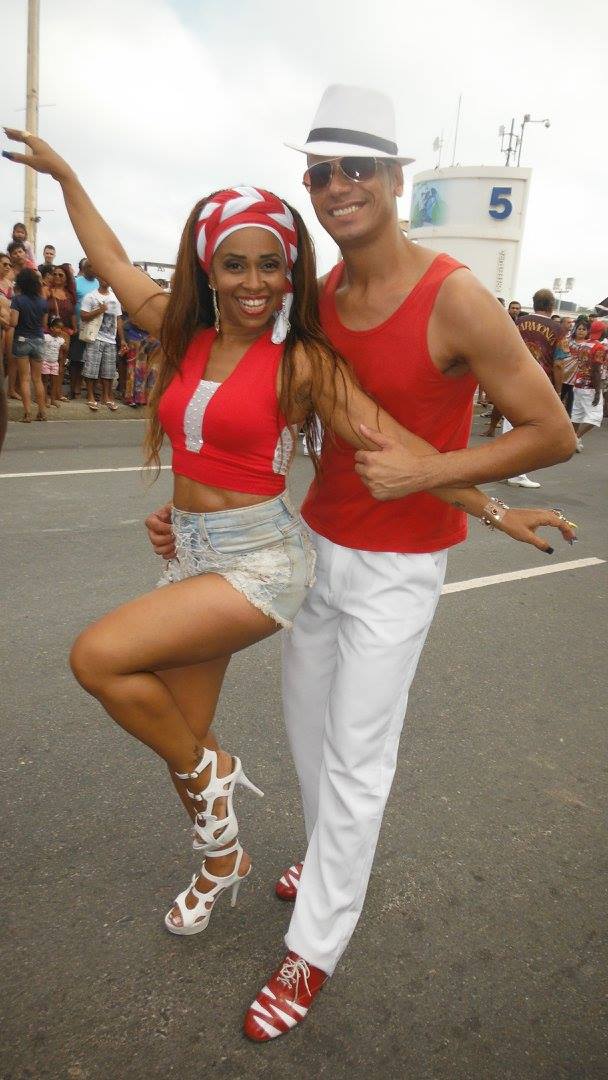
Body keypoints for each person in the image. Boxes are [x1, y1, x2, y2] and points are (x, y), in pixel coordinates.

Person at [3, 127, 576, 974]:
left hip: (264, 559)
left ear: (291, 271)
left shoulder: (303, 359)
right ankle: (222, 858)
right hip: (194, 551)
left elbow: (392, 445)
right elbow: (116, 261)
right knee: (180, 736)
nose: (254, 283)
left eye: (272, 265)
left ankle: (232, 791)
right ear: (206, 267)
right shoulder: (178, 332)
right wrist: (68, 176)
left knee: (99, 659)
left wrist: (494, 510)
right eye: (234, 265)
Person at [139, 86, 575, 1040]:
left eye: (357, 169)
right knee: (309, 741)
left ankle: (315, 948)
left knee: (359, 765)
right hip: (314, 548)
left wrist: (451, 478)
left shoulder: (455, 294)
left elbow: (552, 431)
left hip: (398, 567)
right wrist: (189, 512)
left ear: (395, 177)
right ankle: (329, 860)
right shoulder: (319, 297)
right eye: (321, 171)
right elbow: (295, 417)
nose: (337, 187)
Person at [8, 266, 48, 421]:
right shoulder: (43, 302)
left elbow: (14, 321)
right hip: (38, 339)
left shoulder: (17, 300)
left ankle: (27, 413)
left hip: (22, 339)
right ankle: (42, 411)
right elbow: (44, 324)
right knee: (37, 379)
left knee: (24, 378)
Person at [80, 273, 126, 410]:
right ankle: (90, 396)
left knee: (109, 370)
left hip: (111, 339)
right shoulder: (91, 296)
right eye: (104, 277)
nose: (106, 280)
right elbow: (83, 316)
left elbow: (118, 319)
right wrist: (100, 310)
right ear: (99, 279)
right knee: (91, 368)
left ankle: (106, 396)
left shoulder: (115, 298)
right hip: (95, 337)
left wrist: (122, 339)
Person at [568, 319, 604, 449]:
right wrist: (597, 391)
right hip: (590, 386)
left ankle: (573, 440)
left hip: (578, 384)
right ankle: (575, 438)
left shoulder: (584, 344)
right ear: (602, 331)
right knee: (595, 417)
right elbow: (596, 370)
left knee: (577, 414)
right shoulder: (599, 347)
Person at [68, 258, 99, 399]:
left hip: (94, 328)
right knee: (76, 359)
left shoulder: (99, 283)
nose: (93, 269)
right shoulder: (76, 282)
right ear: (84, 268)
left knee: (90, 359)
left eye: (94, 267)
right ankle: (73, 388)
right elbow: (72, 303)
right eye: (90, 267)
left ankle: (87, 389)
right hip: (79, 326)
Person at [48, 262, 77, 403]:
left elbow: (72, 313)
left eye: (61, 274)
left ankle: (57, 393)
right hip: (49, 332)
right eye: (55, 274)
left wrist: (75, 328)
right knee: (47, 363)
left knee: (60, 364)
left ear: (66, 278)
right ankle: (47, 393)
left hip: (65, 332)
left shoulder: (69, 295)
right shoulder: (47, 291)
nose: (57, 276)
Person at [41, 315, 65, 407]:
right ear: (51, 328)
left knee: (54, 382)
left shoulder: (61, 340)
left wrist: (61, 362)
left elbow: (64, 349)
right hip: (45, 362)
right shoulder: (46, 337)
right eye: (57, 327)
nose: (59, 330)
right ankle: (45, 399)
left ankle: (53, 400)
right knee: (45, 381)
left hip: (55, 363)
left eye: (61, 328)